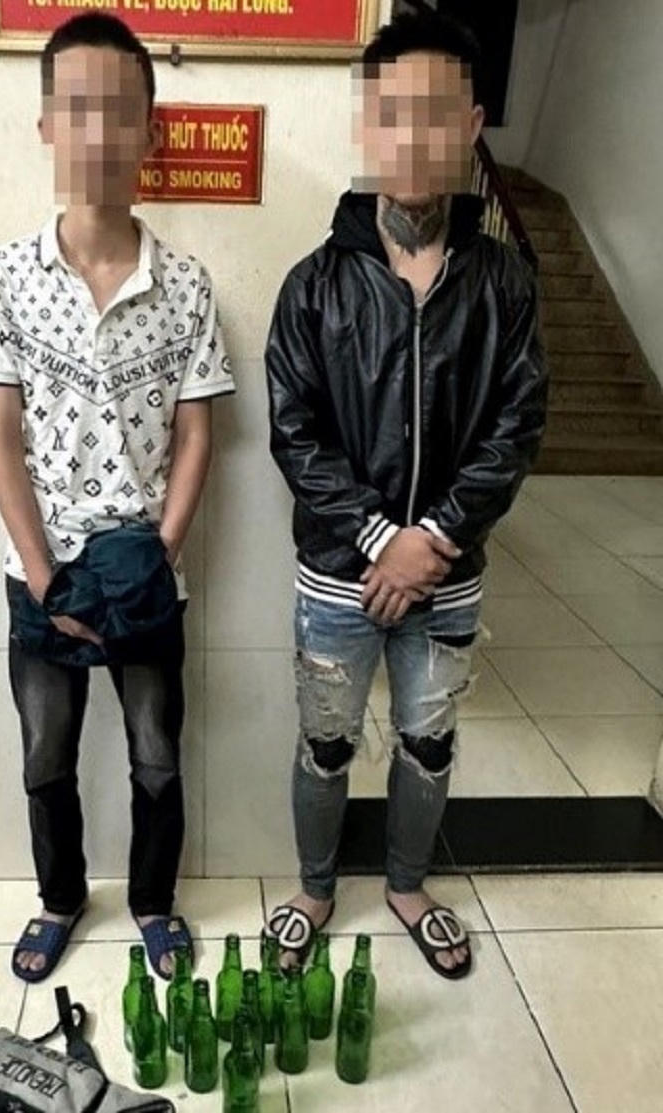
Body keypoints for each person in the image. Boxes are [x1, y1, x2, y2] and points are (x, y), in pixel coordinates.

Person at [264, 10, 547, 979]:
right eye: (392, 113)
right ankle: (312, 889)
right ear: (367, 125)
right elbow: (294, 432)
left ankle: (407, 886)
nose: (412, 136)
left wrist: (434, 539)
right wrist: (383, 537)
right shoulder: (312, 285)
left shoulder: (505, 284)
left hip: (447, 578)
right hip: (338, 575)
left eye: (434, 113)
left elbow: (517, 425)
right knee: (325, 743)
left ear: (468, 125)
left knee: (427, 745)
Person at [0, 13, 234, 982]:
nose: (97, 133)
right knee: (45, 755)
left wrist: (158, 553)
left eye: (119, 112)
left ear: (149, 130)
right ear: (45, 125)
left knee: (157, 754)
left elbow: (197, 434)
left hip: (147, 571)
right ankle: (60, 897)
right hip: (40, 572)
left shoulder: (187, 285)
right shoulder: (1, 278)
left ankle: (153, 903)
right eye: (75, 109)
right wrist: (44, 578)